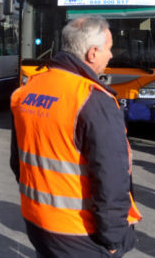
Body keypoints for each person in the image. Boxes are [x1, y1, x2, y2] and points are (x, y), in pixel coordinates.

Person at [10, 16, 142, 257]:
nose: (111, 56)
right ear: (92, 53)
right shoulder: (93, 100)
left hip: (37, 222)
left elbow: (17, 162)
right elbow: (110, 177)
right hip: (78, 233)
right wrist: (114, 238)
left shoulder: (27, 90)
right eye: (109, 49)